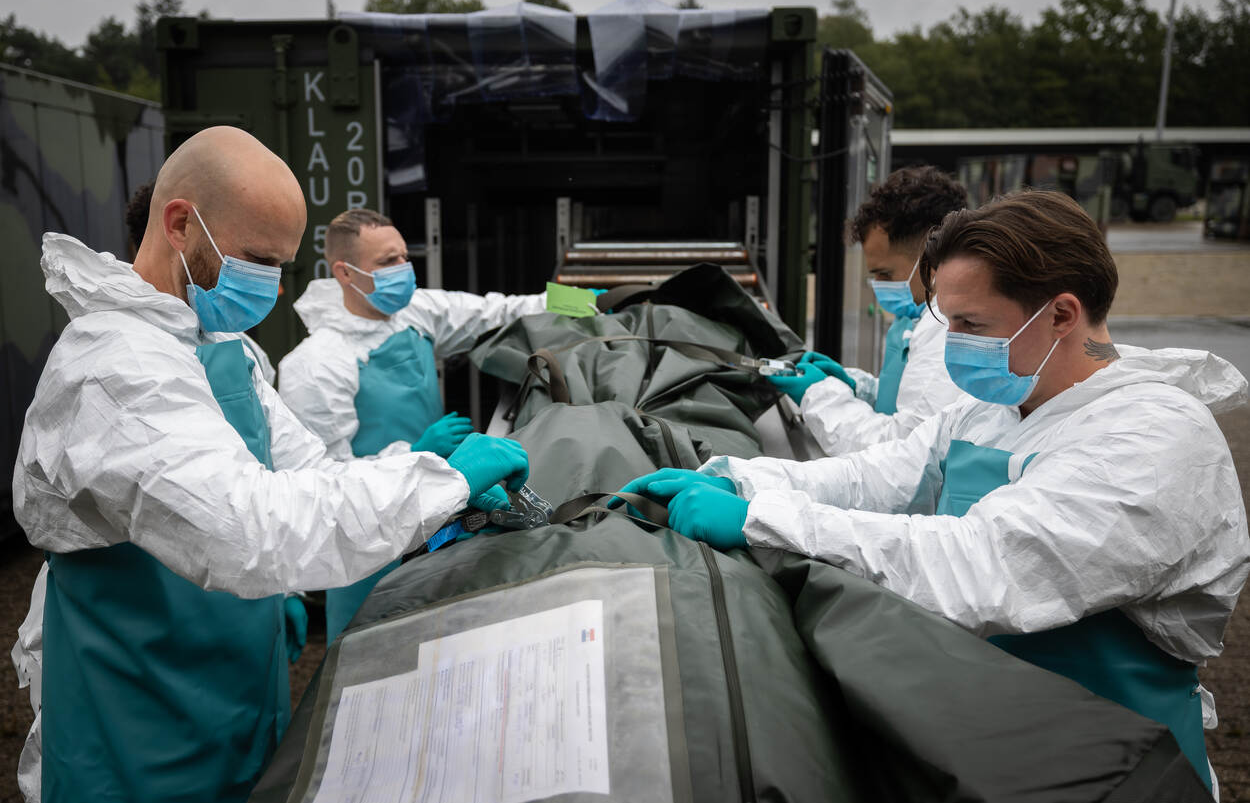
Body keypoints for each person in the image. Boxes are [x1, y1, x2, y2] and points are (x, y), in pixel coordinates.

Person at [620, 190, 1249, 792]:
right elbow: (875, 479)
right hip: (987, 741)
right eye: (949, 322)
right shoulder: (991, 410)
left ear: (1061, 314)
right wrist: (740, 477)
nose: (953, 346)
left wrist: (763, 520)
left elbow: (985, 565)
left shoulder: (1152, 438)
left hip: (1117, 765)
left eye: (972, 324)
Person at [11, 126, 529, 803]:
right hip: (139, 726)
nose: (275, 289)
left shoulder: (221, 346)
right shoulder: (113, 368)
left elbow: (306, 470)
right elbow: (250, 528)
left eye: (282, 265)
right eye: (258, 260)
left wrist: (429, 475)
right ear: (179, 224)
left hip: (236, 693)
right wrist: (441, 480)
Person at [277, 207, 556, 639]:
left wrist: (580, 302)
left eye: (404, 257)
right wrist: (415, 453)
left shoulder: (415, 312)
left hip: (436, 516)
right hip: (368, 546)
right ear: (345, 273)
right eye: (387, 262)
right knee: (370, 647)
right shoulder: (315, 365)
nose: (403, 269)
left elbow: (496, 312)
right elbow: (319, 480)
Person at [766, 166, 967, 455]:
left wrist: (819, 395)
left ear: (931, 258)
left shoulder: (946, 330)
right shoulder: (918, 318)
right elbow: (909, 403)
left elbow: (900, 452)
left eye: (886, 274)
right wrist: (856, 387)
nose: (878, 285)